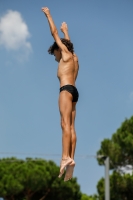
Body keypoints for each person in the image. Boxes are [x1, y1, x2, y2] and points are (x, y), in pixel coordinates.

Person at [42, 7, 79, 181]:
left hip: (65, 91)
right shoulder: (74, 58)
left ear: (60, 49)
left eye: (55, 53)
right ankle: (71, 157)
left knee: (64, 125)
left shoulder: (64, 54)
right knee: (71, 127)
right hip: (75, 92)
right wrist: (67, 33)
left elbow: (53, 33)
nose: (55, 56)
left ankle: (65, 157)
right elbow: (69, 48)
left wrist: (48, 15)